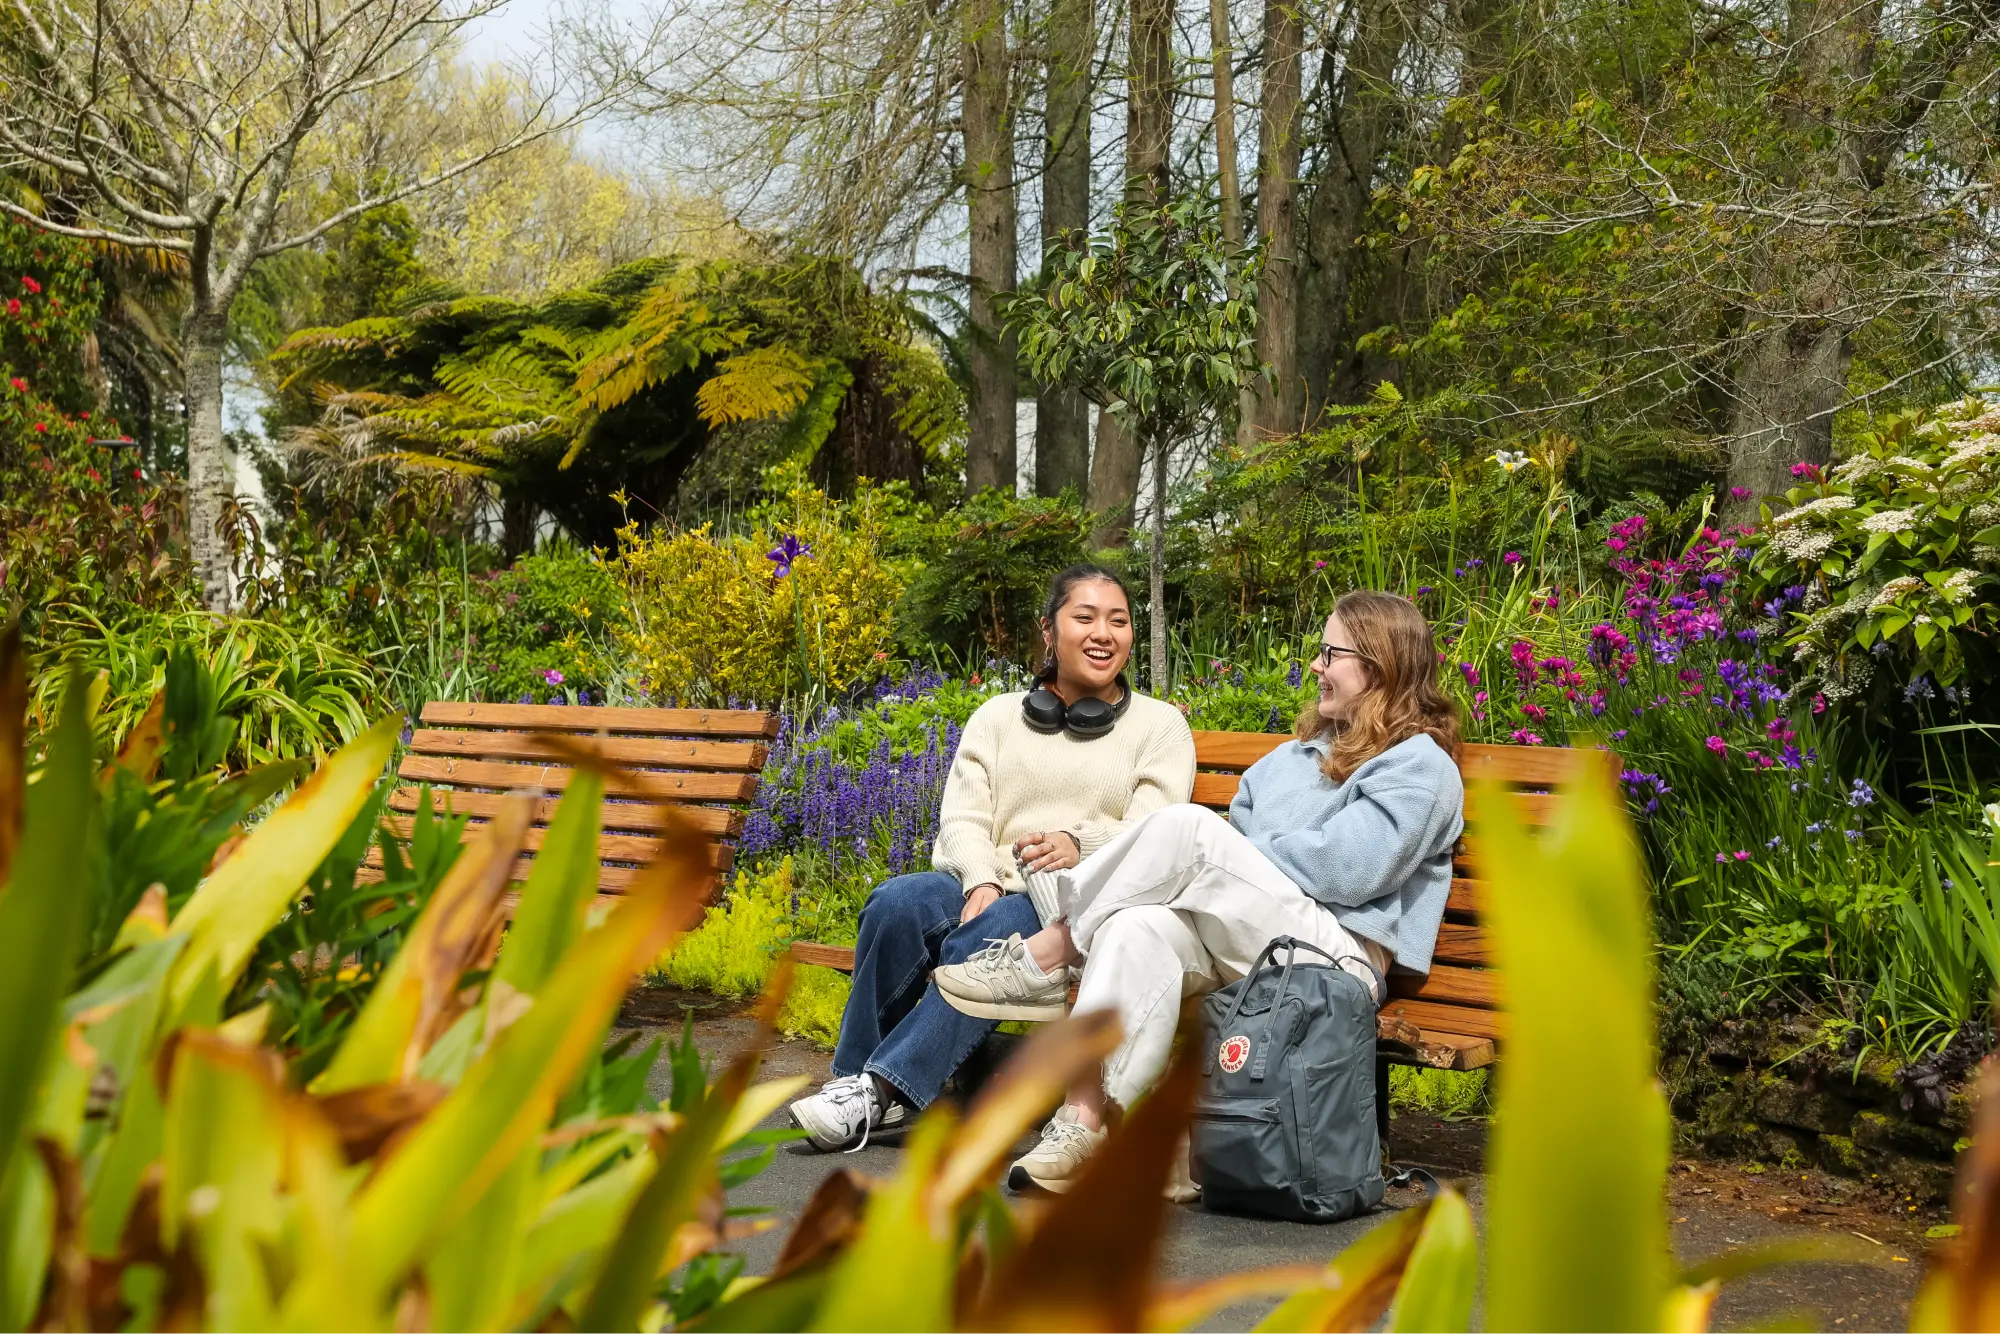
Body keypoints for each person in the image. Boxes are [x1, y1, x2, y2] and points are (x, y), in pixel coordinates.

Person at [934, 588, 1464, 1192]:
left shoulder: (1419, 767)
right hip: (1245, 943)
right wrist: (1234, 855)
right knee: (1135, 927)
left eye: (1329, 653)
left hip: (1336, 966)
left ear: (1377, 664)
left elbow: (1350, 872)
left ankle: (1050, 950)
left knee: (1191, 831)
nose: (1315, 666)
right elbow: (1246, 848)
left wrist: (1231, 855)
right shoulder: (1287, 760)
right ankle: (1088, 1122)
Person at [786, 564, 1196, 1151]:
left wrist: (1079, 844)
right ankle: (850, 1083)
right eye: (1085, 617)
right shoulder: (999, 717)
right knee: (897, 902)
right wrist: (979, 880)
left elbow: (1156, 829)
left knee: (1001, 929)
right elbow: (963, 818)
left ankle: (877, 1091)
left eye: (1119, 620)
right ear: (1049, 633)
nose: (1104, 633)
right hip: (989, 882)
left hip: (1071, 903)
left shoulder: (1159, 727)